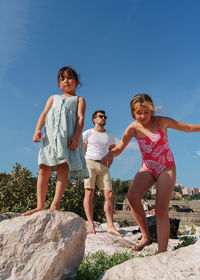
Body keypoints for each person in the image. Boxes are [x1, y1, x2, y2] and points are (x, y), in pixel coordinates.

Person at [101, 93, 200, 252]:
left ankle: (162, 252)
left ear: (152, 110)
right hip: (148, 167)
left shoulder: (162, 121)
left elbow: (186, 127)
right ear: (133, 113)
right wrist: (110, 154)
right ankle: (146, 237)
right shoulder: (133, 128)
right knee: (132, 196)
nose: (142, 116)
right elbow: (119, 148)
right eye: (139, 112)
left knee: (160, 209)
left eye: (146, 112)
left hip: (166, 167)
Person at [22, 66, 89, 216]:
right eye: (62, 79)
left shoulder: (79, 100)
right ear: (59, 84)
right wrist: (38, 129)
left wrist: (77, 137)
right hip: (50, 140)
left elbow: (80, 119)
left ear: (77, 82)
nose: (66, 81)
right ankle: (40, 205)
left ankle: (55, 203)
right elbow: (44, 113)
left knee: (62, 167)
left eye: (70, 78)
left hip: (67, 139)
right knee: (43, 169)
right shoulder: (53, 98)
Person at [83, 110, 123, 236]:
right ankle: (91, 225)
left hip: (103, 166)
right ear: (94, 119)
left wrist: (110, 161)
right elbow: (81, 148)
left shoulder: (110, 135)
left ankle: (110, 226)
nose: (103, 118)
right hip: (89, 163)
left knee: (109, 194)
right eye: (101, 116)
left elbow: (112, 150)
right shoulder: (88, 133)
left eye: (105, 117)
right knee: (89, 192)